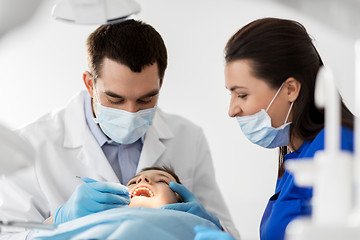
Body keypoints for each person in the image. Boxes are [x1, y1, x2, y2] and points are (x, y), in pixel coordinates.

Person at [0, 20, 240, 240]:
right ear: (89, 84)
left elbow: (228, 235)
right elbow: (9, 235)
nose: (131, 112)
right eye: (115, 100)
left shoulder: (188, 137)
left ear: (160, 84)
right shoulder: (29, 145)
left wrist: (207, 222)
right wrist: (60, 220)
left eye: (146, 100)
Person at [192, 17, 354, 240]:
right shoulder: (294, 155)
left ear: (290, 89)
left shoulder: (338, 146)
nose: (232, 110)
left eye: (242, 95)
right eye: (231, 94)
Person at [31, 167, 221, 240]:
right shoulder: (93, 219)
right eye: (132, 182)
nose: (143, 180)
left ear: (181, 199)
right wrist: (59, 218)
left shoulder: (196, 222)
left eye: (162, 180)